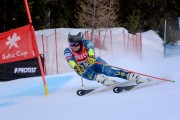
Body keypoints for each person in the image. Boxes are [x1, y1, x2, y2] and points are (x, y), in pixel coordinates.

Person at [64, 32, 146, 86]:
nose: (73, 46)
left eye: (76, 43)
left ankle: (133, 76)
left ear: (81, 41)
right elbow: (70, 60)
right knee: (82, 71)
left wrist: (91, 56)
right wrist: (75, 66)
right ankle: (104, 80)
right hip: (84, 67)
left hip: (95, 62)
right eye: (71, 43)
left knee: (109, 71)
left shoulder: (86, 43)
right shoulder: (68, 50)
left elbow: (91, 48)